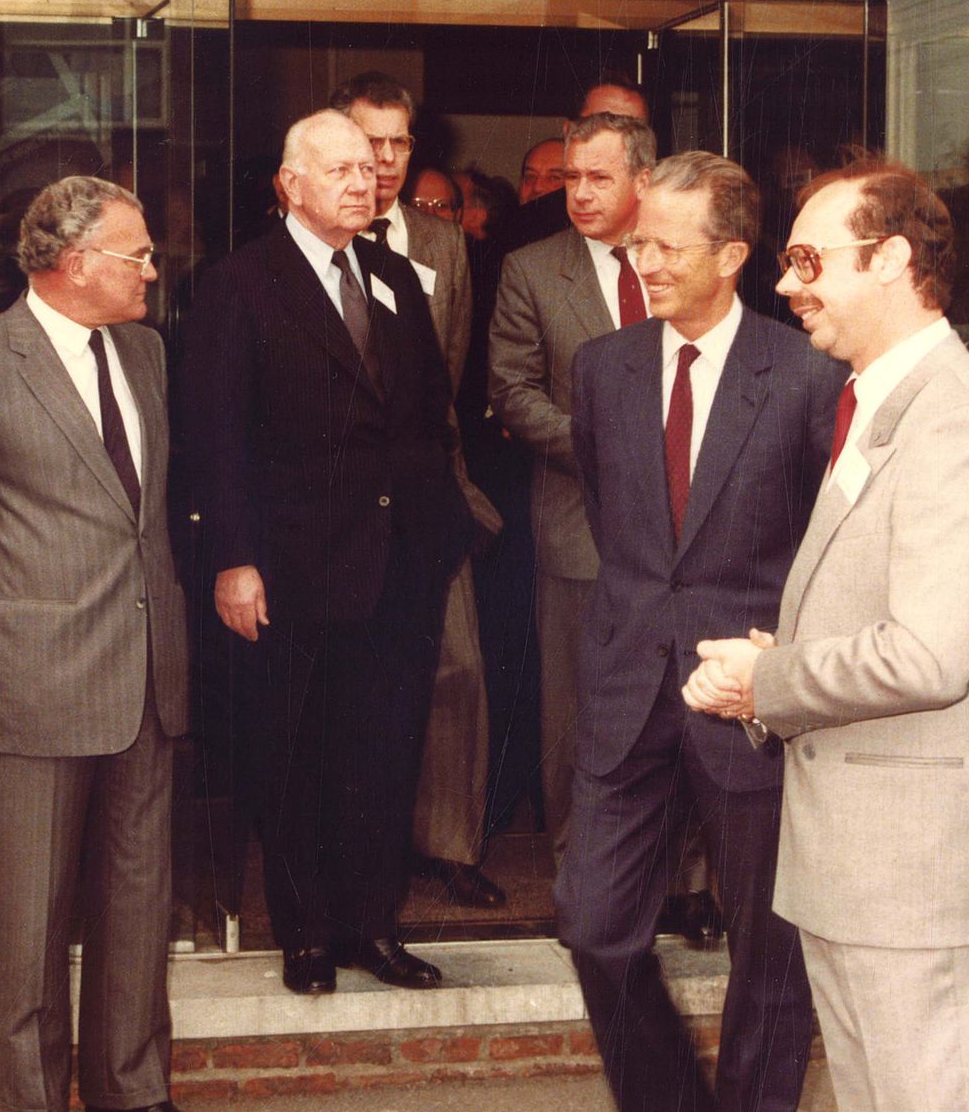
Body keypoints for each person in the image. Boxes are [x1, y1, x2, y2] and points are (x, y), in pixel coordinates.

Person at [685, 156, 969, 1112]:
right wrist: (782, 653)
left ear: (888, 260)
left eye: (806, 259)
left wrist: (770, 679)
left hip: (913, 871)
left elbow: (931, 654)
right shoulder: (882, 407)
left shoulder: (955, 422)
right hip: (861, 862)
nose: (786, 283)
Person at [0, 176, 211, 1112]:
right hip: (31, 677)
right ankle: (34, 1105)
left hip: (144, 668)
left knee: (136, 891)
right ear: (78, 263)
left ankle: (132, 1084)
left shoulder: (147, 354)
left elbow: (143, 514)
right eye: (138, 252)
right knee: (32, 909)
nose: (154, 269)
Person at [559, 153, 838, 1112]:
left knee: (769, 959)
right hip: (627, 685)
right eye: (635, 243)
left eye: (664, 245)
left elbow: (827, 544)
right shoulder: (601, 368)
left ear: (731, 256)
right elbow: (621, 520)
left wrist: (778, 668)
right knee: (592, 924)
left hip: (747, 703)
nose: (642, 262)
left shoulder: (807, 376)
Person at [183, 111, 476, 995]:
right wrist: (235, 559)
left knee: (386, 754)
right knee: (298, 753)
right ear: (291, 183)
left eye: (372, 166)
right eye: (342, 168)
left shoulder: (392, 274)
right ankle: (306, 932)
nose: (366, 179)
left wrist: (439, 528)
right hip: (293, 567)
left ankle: (373, 927)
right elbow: (215, 437)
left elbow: (428, 413)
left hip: (398, 564)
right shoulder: (239, 285)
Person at [331, 73, 506, 911]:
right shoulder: (307, 242)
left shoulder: (444, 248)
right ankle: (368, 853)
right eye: (370, 144)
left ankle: (451, 844)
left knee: (458, 669)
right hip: (341, 505)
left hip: (432, 489)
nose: (388, 161)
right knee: (355, 680)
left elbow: (453, 375)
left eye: (400, 143)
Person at [488, 110, 655, 861]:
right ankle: (579, 866)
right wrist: (602, 447)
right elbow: (514, 392)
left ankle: (681, 876)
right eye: (568, 179)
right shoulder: (532, 268)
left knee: (676, 699)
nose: (578, 193)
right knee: (576, 711)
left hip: (686, 526)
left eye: (597, 177)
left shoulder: (679, 258)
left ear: (642, 181)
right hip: (577, 525)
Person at [498, 75, 652, 254]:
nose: (616, 136)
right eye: (600, 123)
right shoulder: (526, 232)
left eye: (632, 130)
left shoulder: (669, 218)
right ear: (568, 131)